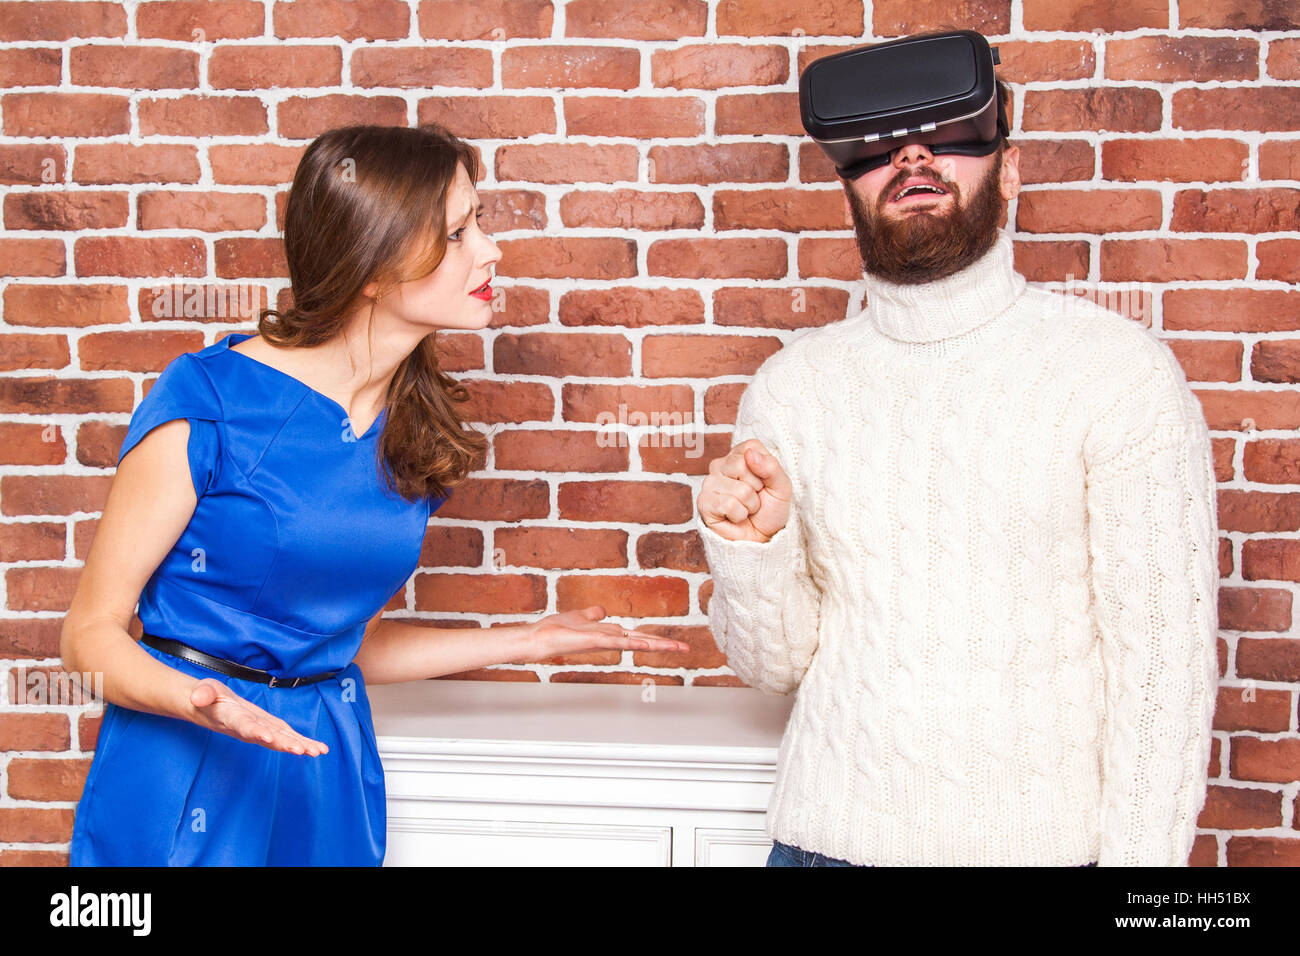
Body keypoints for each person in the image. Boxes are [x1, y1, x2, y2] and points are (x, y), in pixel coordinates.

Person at [62, 123, 690, 866]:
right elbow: (87, 638)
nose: (489, 250)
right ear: (371, 265)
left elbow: (330, 641)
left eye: (478, 224)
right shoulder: (211, 400)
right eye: (457, 234)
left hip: (323, 764)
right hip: (185, 763)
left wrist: (529, 640)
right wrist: (200, 700)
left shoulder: (412, 429)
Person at [695, 75, 1220, 867]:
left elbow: (1162, 675)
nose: (912, 154)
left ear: (1008, 169)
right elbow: (773, 669)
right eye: (878, 142)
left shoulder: (1116, 372)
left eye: (947, 133)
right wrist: (749, 551)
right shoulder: (791, 388)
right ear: (848, 184)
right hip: (822, 846)